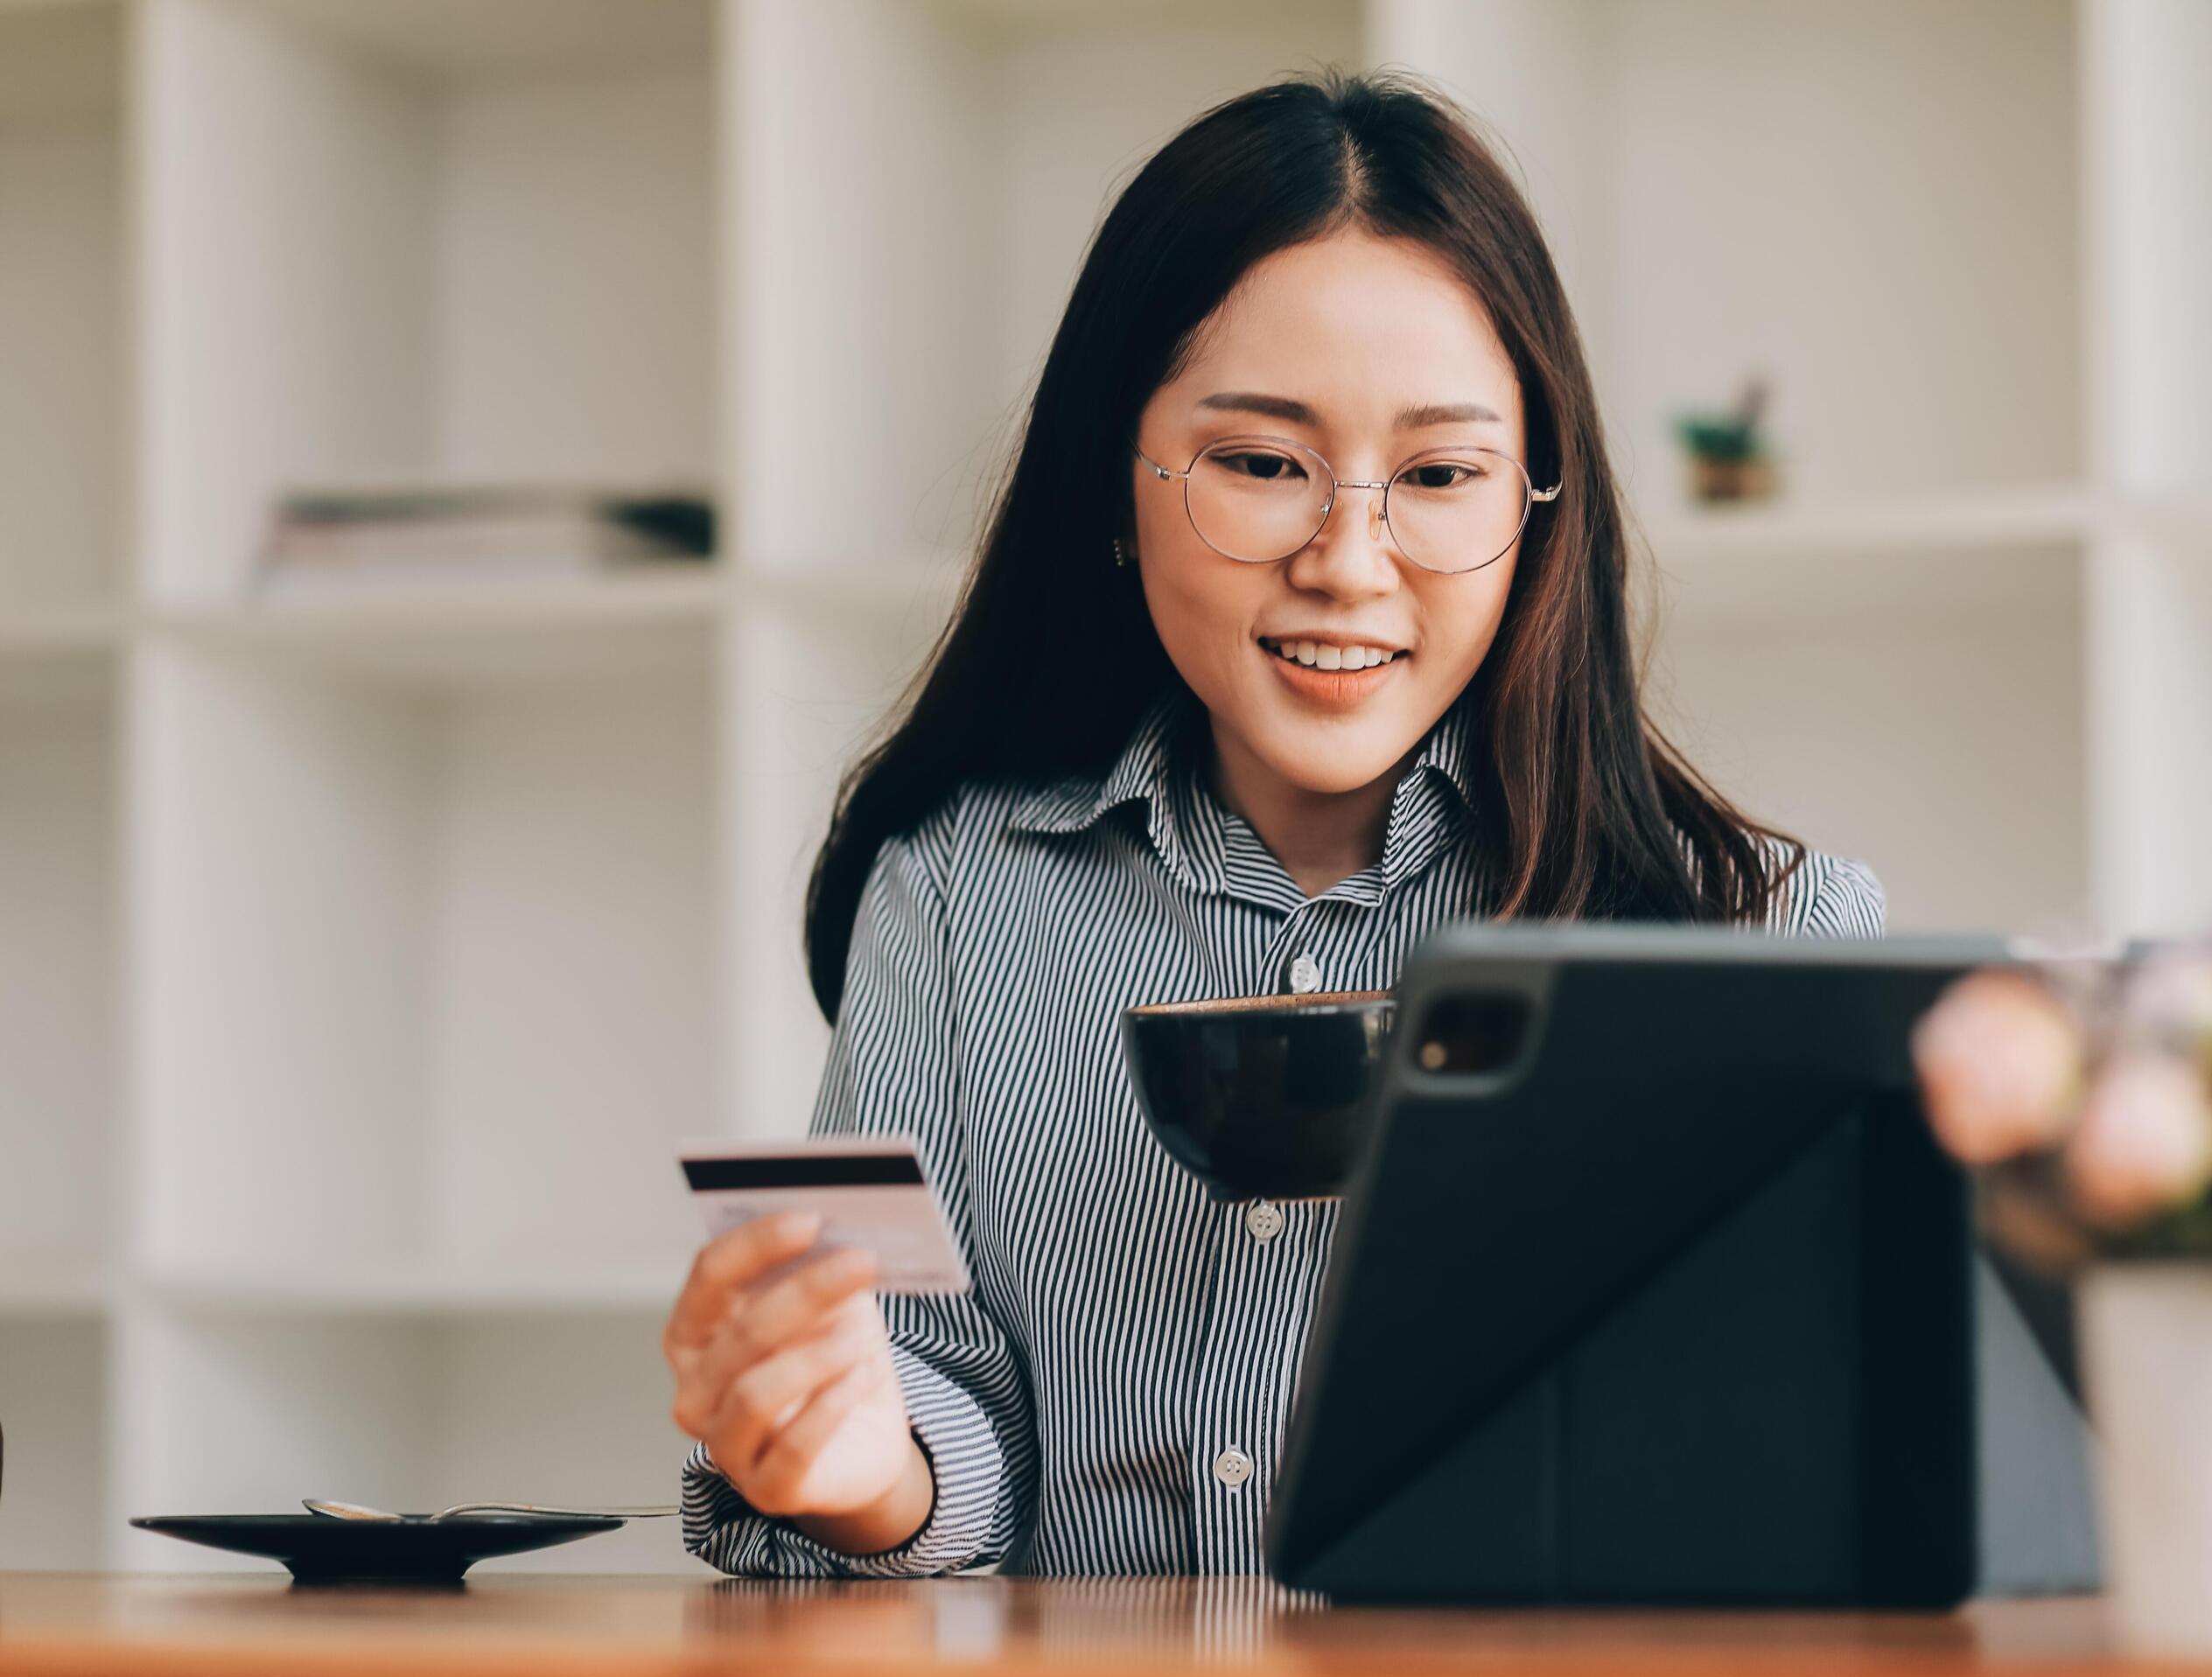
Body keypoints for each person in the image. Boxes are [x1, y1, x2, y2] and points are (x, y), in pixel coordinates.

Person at [662, 69, 1884, 1579]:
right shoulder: (959, 903)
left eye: (1439, 476)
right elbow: (938, 1393)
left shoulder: (1761, 937)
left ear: (1539, 509)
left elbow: (1831, 1484)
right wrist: (865, 1463)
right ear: (1116, 483)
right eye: (1259, 465)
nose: (1349, 563)